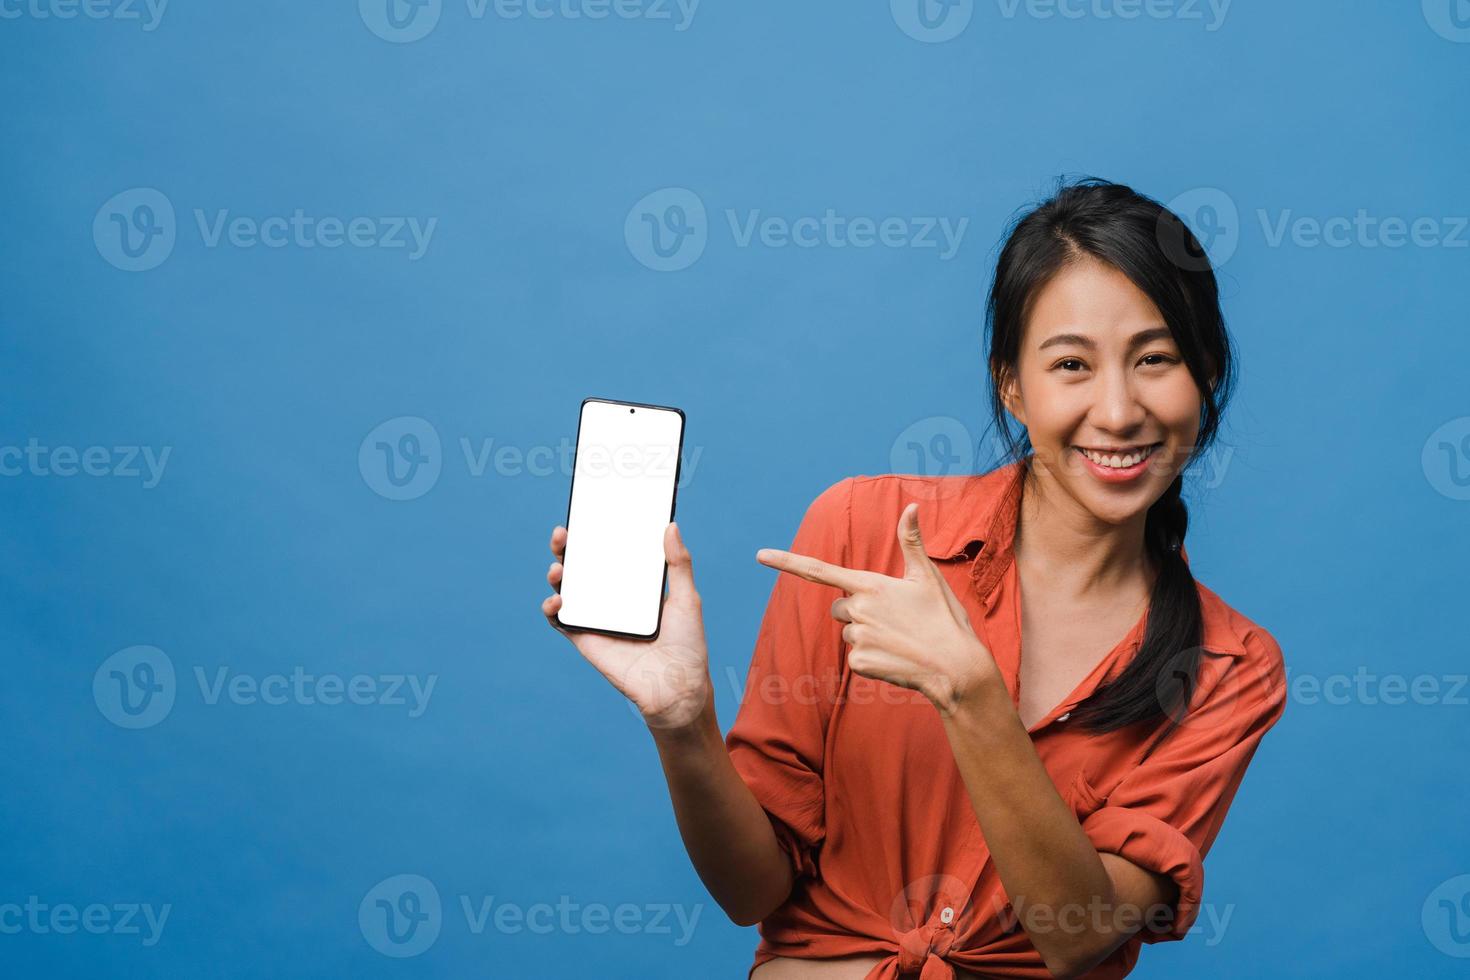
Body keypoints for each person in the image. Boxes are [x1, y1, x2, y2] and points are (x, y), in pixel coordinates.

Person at [542, 178, 1287, 979]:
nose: (1116, 409)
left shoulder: (1228, 667)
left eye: (1155, 359)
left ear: (1205, 376)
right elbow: (753, 891)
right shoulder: (859, 531)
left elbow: (1079, 934)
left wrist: (971, 695)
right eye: (1071, 363)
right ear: (1013, 385)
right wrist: (683, 723)